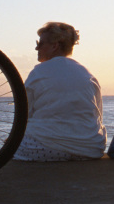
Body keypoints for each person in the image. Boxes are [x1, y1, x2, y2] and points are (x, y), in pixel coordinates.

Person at [13, 22, 107, 161]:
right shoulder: (87, 75)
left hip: (42, 149)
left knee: (13, 144)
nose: (36, 48)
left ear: (54, 46)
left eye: (40, 43)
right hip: (89, 149)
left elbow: (23, 115)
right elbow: (97, 115)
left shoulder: (38, 73)